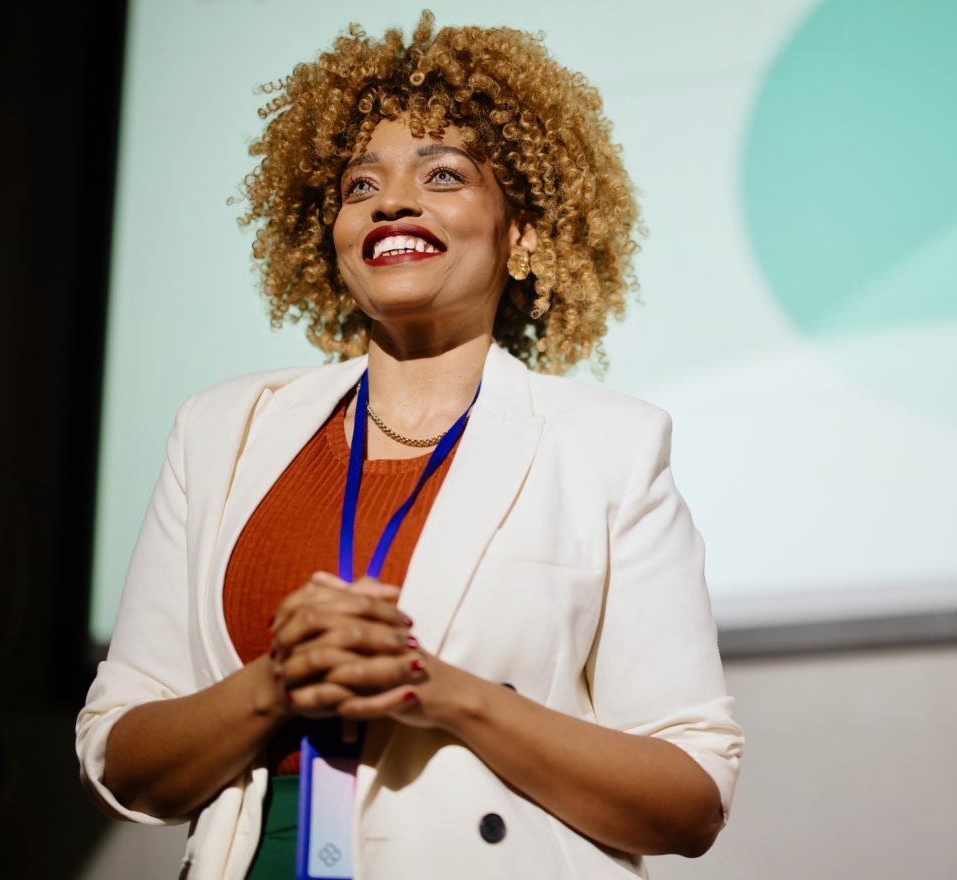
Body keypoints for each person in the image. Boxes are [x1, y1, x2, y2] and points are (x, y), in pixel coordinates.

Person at [76, 12, 743, 879]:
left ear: (524, 233)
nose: (393, 200)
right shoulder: (220, 431)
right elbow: (120, 756)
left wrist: (443, 692)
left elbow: (688, 798)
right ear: (336, 241)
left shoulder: (611, 448)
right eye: (360, 186)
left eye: (444, 174)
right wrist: (274, 685)